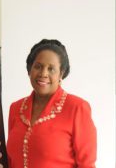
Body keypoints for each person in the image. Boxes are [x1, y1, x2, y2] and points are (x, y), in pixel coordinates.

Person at [7, 39, 97, 168]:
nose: (43, 73)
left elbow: (87, 165)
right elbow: (10, 162)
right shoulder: (15, 108)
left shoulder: (77, 108)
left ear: (61, 74)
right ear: (29, 70)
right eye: (38, 66)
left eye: (51, 69)